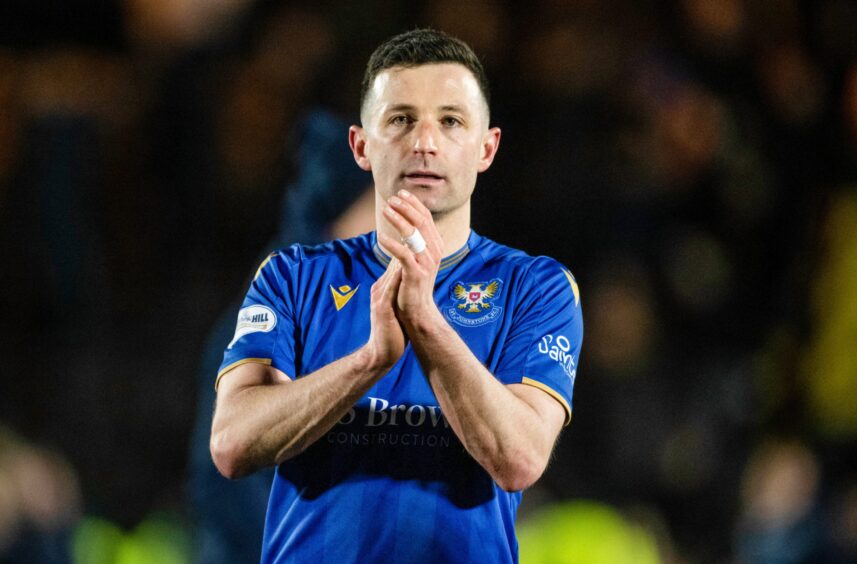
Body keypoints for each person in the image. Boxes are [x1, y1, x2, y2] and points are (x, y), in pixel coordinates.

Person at [210, 29, 583, 563]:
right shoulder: (292, 275)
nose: (424, 142)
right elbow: (231, 443)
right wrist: (369, 361)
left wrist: (424, 321)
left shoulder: (537, 286)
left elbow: (519, 457)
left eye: (451, 121)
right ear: (362, 146)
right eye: (401, 119)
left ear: (487, 148)